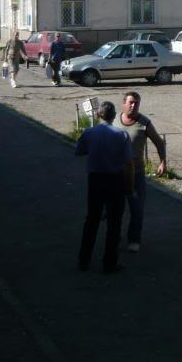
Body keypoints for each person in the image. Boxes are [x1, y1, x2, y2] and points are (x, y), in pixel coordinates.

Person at [75, 100, 133, 272]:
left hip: (95, 180)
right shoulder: (121, 134)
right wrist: (129, 187)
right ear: (114, 116)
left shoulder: (89, 133)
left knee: (92, 219)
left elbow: (79, 151)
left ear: (98, 115)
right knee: (114, 222)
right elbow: (129, 162)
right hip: (115, 180)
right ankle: (109, 263)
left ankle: (83, 260)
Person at [112, 92, 166, 253]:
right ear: (123, 104)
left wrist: (163, 161)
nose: (133, 105)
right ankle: (114, 237)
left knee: (137, 208)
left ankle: (134, 239)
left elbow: (158, 142)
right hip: (116, 173)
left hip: (137, 173)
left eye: (136, 103)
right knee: (116, 208)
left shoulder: (144, 123)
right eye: (131, 102)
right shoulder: (114, 121)